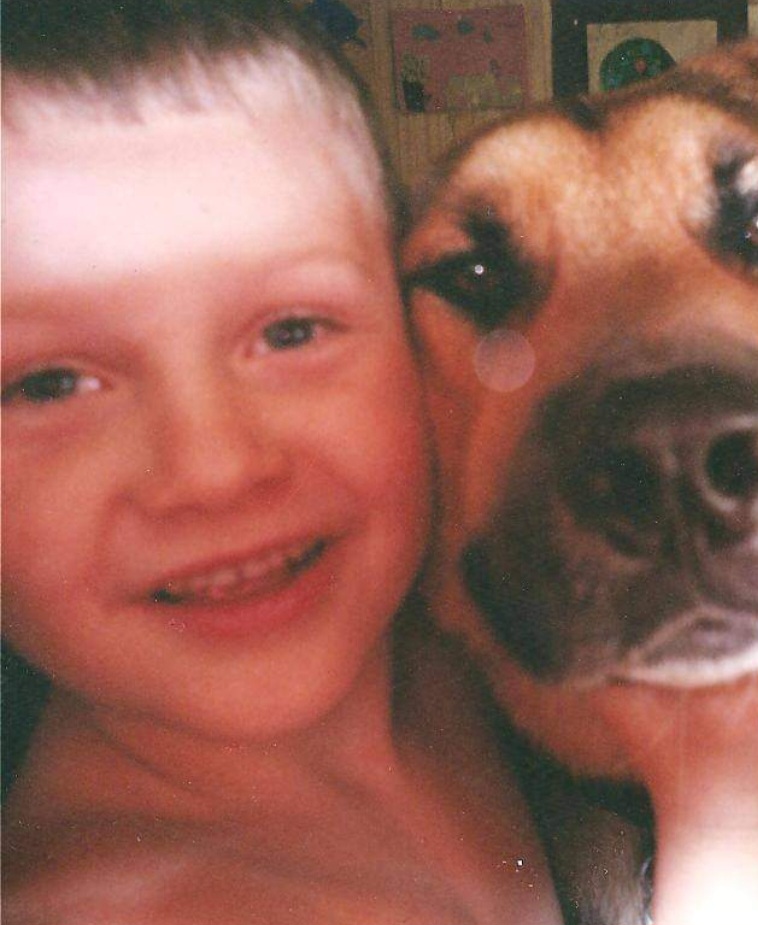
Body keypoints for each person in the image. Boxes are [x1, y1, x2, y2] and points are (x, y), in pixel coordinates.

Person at [1, 3, 560, 923]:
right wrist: (737, 798)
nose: (214, 469)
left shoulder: (455, 641)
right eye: (51, 383)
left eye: (292, 331)